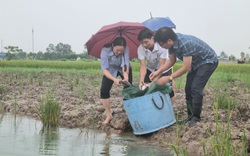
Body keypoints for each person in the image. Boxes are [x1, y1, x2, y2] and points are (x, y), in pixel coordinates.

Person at [150, 27, 218, 126]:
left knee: (195, 88)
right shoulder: (171, 46)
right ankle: (190, 116)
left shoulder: (185, 43)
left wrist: (169, 78)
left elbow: (186, 67)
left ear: (169, 40)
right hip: (196, 64)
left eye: (162, 44)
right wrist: (158, 71)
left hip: (208, 61)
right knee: (188, 88)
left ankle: (196, 118)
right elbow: (172, 61)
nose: (162, 47)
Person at [100, 36, 132, 124]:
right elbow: (105, 69)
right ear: (113, 45)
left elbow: (125, 65)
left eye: (121, 51)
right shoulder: (105, 50)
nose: (119, 52)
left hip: (123, 68)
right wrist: (114, 79)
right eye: (117, 50)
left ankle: (130, 112)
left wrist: (126, 77)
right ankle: (108, 115)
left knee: (129, 89)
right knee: (104, 90)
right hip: (110, 70)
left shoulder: (126, 49)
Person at [137, 28, 174, 101]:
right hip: (151, 68)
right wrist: (141, 81)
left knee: (168, 89)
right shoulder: (140, 49)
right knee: (145, 87)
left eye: (146, 42)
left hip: (164, 68)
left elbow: (161, 65)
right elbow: (143, 66)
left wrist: (153, 82)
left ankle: (170, 108)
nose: (144, 45)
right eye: (142, 42)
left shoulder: (161, 46)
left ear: (152, 38)